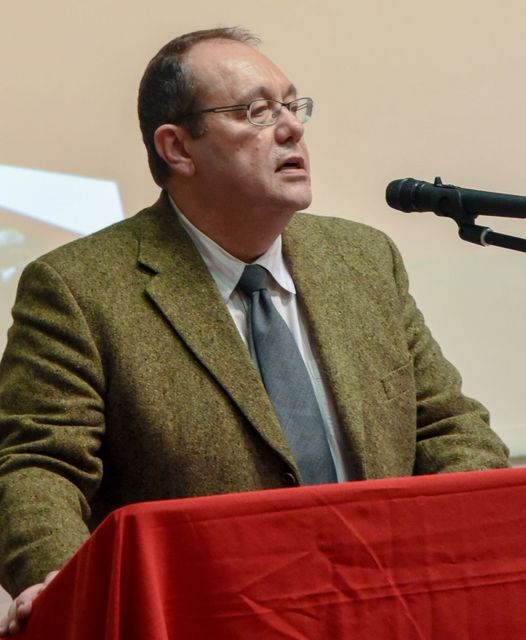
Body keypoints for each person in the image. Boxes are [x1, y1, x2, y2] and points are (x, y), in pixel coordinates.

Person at [0, 27, 509, 635]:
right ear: (177, 148)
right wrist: (63, 577)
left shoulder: (364, 259)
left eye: (293, 106)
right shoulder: (79, 288)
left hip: (391, 612)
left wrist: (471, 544)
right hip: (205, 618)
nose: (291, 128)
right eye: (256, 112)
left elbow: (447, 426)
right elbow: (39, 463)